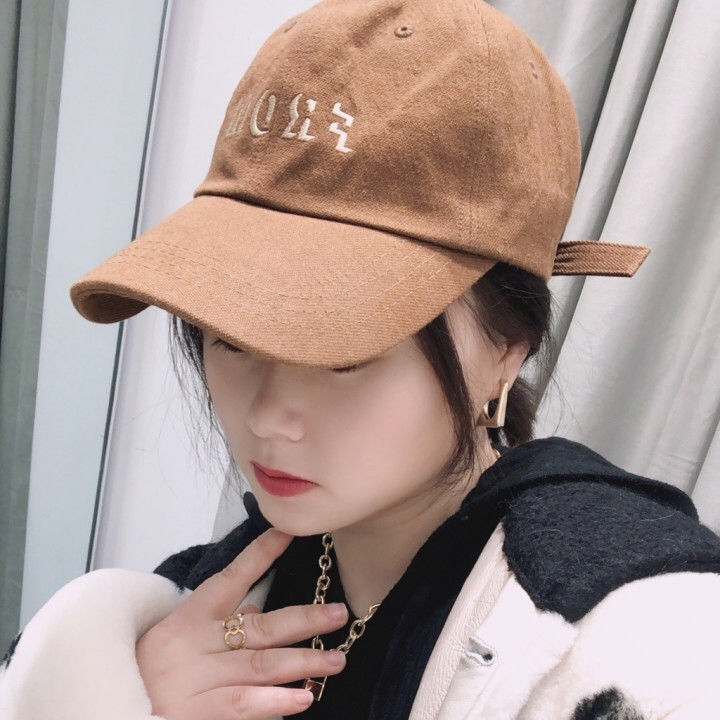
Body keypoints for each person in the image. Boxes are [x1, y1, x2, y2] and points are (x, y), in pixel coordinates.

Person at [2, 0, 720, 718]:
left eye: (345, 353)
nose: (268, 417)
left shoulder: (631, 641)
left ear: (506, 351)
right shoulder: (193, 604)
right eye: (231, 338)